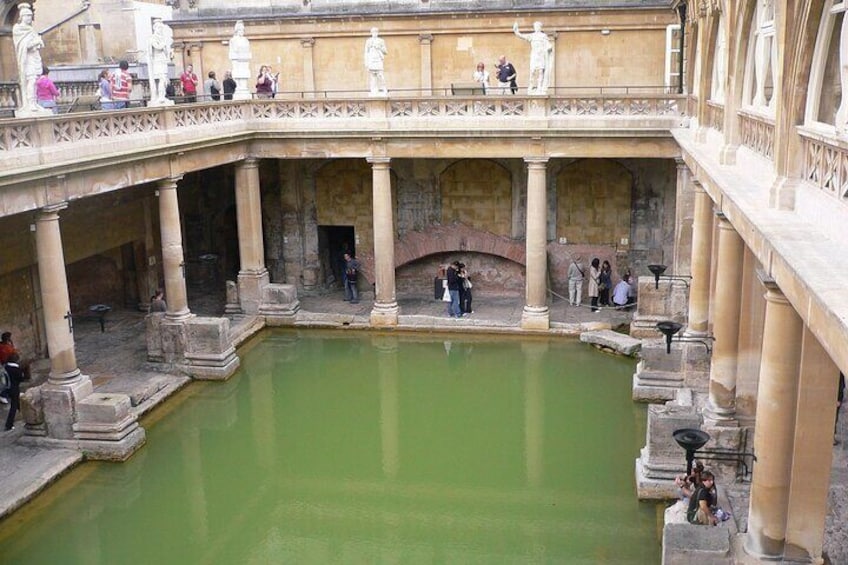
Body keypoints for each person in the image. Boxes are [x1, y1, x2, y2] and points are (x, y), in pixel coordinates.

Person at [12, 3, 50, 116]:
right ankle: (30, 103)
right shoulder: (18, 29)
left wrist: (38, 43)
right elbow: (24, 45)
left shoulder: (31, 29)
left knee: (34, 81)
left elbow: (35, 44)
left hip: (34, 57)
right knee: (31, 80)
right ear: (22, 17)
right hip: (26, 59)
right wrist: (36, 41)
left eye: (30, 15)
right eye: (27, 16)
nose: (29, 18)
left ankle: (33, 102)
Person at [513, 21, 554, 95]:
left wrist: (549, 48)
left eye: (538, 26)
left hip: (541, 55)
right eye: (535, 26)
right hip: (534, 55)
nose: (536, 28)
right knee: (532, 72)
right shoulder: (532, 35)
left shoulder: (543, 36)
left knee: (541, 71)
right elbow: (522, 36)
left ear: (540, 28)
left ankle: (539, 88)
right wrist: (516, 31)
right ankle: (531, 87)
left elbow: (548, 45)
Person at [149, 18, 174, 106]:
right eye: (159, 28)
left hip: (162, 60)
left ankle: (162, 95)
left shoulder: (162, 38)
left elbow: (166, 50)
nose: (161, 30)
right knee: (161, 78)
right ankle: (160, 96)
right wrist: (164, 44)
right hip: (157, 60)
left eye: (161, 28)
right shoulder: (153, 38)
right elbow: (157, 47)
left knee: (164, 79)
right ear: (155, 28)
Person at [228, 20, 252, 100]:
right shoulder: (233, 40)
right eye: (240, 30)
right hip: (237, 60)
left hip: (244, 59)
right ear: (237, 31)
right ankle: (239, 87)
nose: (242, 32)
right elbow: (232, 52)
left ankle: (244, 87)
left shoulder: (245, 40)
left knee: (244, 73)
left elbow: (248, 50)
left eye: (243, 30)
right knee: (238, 74)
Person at [364, 27, 388, 96]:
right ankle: (374, 90)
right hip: (371, 59)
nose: (374, 33)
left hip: (378, 59)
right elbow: (366, 52)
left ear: (377, 33)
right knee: (373, 76)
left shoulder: (381, 41)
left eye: (376, 32)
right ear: (371, 33)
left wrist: (379, 47)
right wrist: (366, 62)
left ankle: (384, 89)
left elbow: (386, 52)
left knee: (380, 75)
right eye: (373, 32)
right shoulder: (368, 41)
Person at [4, 353, 24, 431]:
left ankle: (23, 413)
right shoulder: (16, 369)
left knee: (17, 402)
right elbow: (21, 378)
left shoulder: (6, 367)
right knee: (14, 406)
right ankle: (9, 424)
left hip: (7, 388)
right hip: (14, 388)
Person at [0, 332, 16, 405]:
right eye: (9, 337)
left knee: (9, 380)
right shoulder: (3, 347)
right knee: (4, 381)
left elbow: (13, 351)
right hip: (4, 364)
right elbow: (11, 353)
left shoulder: (7, 345)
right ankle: (3, 395)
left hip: (8, 363)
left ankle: (10, 392)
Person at [836, 372, 846, 446]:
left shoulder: (839, 374)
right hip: (836, 398)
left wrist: (839, 399)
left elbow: (842, 386)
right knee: (834, 417)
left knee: (835, 417)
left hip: (837, 398)